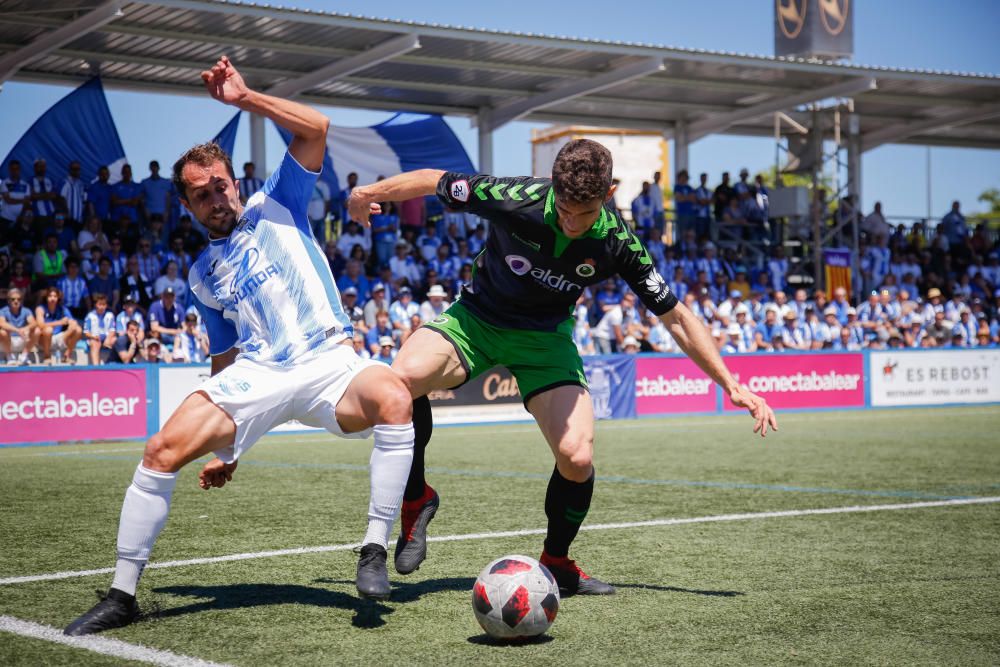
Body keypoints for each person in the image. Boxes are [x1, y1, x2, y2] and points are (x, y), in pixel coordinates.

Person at [65, 56, 415, 637]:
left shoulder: (277, 202)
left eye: (220, 185)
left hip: (332, 363)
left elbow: (316, 129)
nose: (215, 198)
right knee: (160, 451)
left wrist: (245, 98)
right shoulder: (202, 275)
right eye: (200, 194)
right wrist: (230, 447)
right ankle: (122, 594)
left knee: (395, 397)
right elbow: (224, 361)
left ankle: (374, 548)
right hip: (260, 373)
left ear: (237, 182)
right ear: (187, 205)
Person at [345, 138, 777, 596]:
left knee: (577, 457)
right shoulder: (514, 197)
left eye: (584, 213)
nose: (572, 224)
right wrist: (367, 192)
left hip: (545, 342)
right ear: (553, 186)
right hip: (475, 321)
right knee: (399, 383)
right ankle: (416, 500)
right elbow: (434, 181)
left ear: (608, 195)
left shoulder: (617, 241)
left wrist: (731, 384)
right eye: (565, 210)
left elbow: (675, 317)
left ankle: (558, 561)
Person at [0, 288, 39, 364]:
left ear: (22, 301)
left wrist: (26, 328)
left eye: (19, 299)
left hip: (23, 338)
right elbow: (2, 324)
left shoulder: (26, 310)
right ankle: (9, 357)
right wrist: (18, 330)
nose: (16, 301)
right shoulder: (2, 311)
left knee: (37, 331)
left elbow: (34, 323)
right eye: (13, 299)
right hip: (8, 340)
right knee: (2, 332)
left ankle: (24, 355)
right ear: (8, 301)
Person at [83, 292, 117, 365]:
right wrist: (93, 336)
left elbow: (112, 330)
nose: (101, 307)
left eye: (104, 305)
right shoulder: (90, 316)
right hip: (95, 338)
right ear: (96, 305)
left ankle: (114, 364)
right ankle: (96, 366)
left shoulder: (110, 315)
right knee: (95, 343)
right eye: (100, 304)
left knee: (115, 340)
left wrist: (108, 339)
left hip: (107, 338)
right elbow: (86, 332)